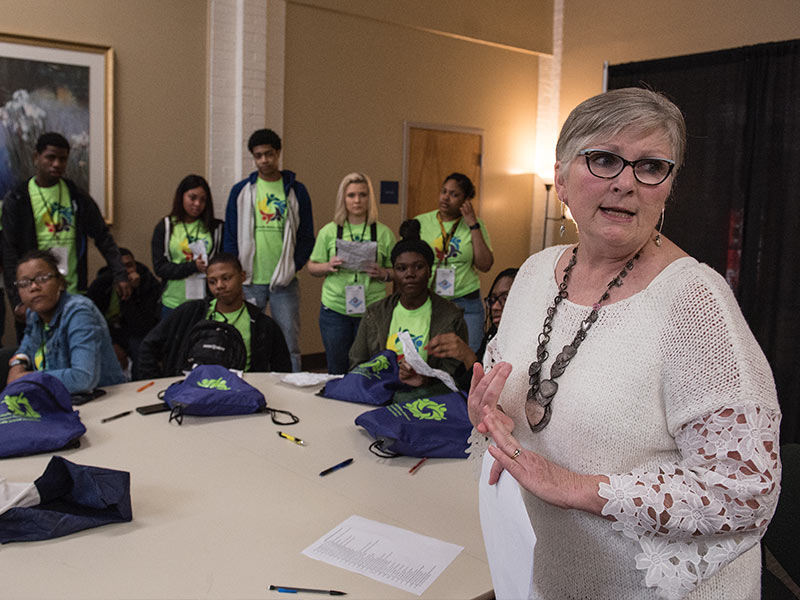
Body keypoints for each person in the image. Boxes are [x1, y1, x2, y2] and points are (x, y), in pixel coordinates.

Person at [469, 88, 781, 599]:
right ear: (562, 178)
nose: (626, 184)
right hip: (552, 572)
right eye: (604, 159)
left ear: (667, 188)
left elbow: (745, 490)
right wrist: (487, 413)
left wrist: (574, 486)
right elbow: (503, 383)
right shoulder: (531, 274)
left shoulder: (696, 302)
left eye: (650, 167)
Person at [2, 132, 130, 342]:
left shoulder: (76, 195)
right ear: (36, 157)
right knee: (36, 358)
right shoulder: (18, 198)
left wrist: (120, 273)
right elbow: (9, 254)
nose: (56, 164)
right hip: (35, 297)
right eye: (50, 157)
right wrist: (17, 300)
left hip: (72, 292)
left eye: (62, 159)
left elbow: (103, 237)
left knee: (76, 348)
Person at [223, 128, 314, 372]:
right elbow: (230, 235)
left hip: (285, 281)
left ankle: (292, 389)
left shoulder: (296, 190)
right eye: (258, 155)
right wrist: (236, 271)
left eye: (269, 154)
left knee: (289, 342)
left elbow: (307, 236)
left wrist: (294, 266)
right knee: (245, 339)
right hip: (250, 279)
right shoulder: (241, 191)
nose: (264, 160)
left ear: (278, 153)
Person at [349, 221, 468, 386]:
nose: (410, 274)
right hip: (380, 393)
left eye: (418, 267)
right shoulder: (375, 312)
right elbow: (357, 363)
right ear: (394, 272)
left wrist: (425, 379)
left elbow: (455, 376)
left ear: (429, 271)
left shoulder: (451, 315)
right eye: (401, 268)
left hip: (428, 398)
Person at [137, 253, 291, 379]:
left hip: (241, 397)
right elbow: (148, 345)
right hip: (190, 394)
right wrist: (157, 383)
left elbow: (283, 369)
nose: (219, 286)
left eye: (226, 278)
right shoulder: (190, 313)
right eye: (212, 281)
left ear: (242, 276)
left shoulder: (263, 324)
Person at [307, 173, 395, 374]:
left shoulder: (383, 232)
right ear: (343, 199)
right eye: (351, 195)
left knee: (370, 368)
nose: (357, 200)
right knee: (337, 367)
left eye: (362, 195)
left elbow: (399, 271)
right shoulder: (329, 231)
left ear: (369, 198)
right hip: (335, 308)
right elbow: (312, 266)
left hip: (372, 309)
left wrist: (384, 273)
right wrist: (327, 266)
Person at [6, 249, 124, 393]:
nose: (34, 287)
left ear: (60, 283)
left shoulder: (79, 312)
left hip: (105, 400)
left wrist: (27, 378)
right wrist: (18, 363)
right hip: (60, 400)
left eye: (42, 278)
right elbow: (27, 344)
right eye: (24, 283)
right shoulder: (33, 313)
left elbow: (82, 379)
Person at [413, 172, 493, 353]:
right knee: (432, 354)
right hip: (432, 300)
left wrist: (472, 223)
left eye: (454, 194)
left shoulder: (475, 224)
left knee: (470, 355)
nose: (446, 198)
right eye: (444, 192)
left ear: (466, 200)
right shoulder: (421, 222)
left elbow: (485, 264)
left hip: (466, 301)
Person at [151, 174, 223, 318]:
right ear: (181, 196)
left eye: (203, 200)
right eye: (192, 198)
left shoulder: (216, 228)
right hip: (172, 302)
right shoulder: (166, 226)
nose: (197, 204)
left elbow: (223, 263)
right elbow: (160, 268)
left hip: (205, 302)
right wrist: (192, 267)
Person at [426, 267, 518, 376]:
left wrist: (467, 355)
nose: (495, 306)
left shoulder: (531, 344)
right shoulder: (492, 336)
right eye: (492, 300)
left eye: (505, 299)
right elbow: (468, 384)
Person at [88, 247, 161, 376]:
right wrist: (113, 343)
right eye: (120, 268)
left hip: (137, 330)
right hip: (109, 331)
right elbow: (93, 321)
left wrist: (133, 293)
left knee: (141, 349)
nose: (126, 272)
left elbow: (144, 323)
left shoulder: (148, 283)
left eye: (129, 266)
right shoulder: (101, 285)